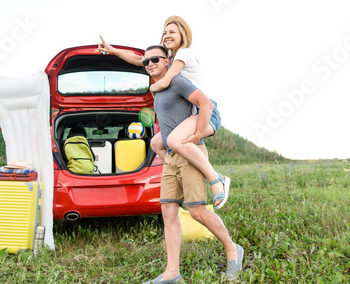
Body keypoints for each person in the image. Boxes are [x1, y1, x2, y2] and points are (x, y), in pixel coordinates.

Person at [98, 16, 230, 210]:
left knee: (175, 141)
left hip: (207, 111)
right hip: (194, 111)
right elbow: (138, 60)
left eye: (172, 32)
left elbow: (167, 80)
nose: (167, 35)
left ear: (183, 35)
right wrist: (112, 50)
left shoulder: (183, 54)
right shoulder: (169, 58)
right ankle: (177, 174)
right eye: (165, 32)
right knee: (156, 142)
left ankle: (216, 179)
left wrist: (155, 88)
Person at [141, 45, 243, 283]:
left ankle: (232, 248)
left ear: (168, 61)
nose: (150, 64)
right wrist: (113, 51)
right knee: (168, 211)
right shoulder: (159, 91)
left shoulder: (177, 82)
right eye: (146, 62)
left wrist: (197, 135)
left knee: (197, 211)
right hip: (171, 157)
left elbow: (206, 103)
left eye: (155, 59)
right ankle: (172, 273)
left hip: (189, 152)